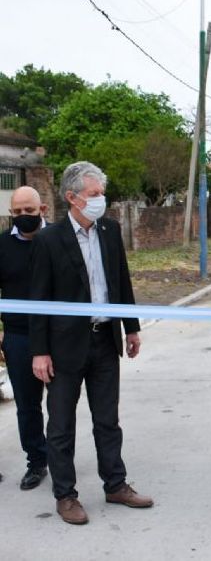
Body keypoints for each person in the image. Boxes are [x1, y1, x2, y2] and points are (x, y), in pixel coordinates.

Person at [29, 162, 151, 525]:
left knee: (108, 421)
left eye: (101, 194)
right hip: (64, 348)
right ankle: (65, 495)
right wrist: (39, 350)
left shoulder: (110, 231)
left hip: (104, 342)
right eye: (94, 195)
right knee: (62, 425)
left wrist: (131, 328)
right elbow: (37, 300)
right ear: (72, 197)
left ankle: (115, 484)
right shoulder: (49, 240)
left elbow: (121, 282)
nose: (102, 201)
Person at [0, 186, 49, 490]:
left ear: (42, 209)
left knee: (60, 403)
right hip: (19, 337)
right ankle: (37, 461)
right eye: (16, 212)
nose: (22, 217)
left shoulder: (58, 239)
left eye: (28, 211)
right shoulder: (2, 244)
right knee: (27, 406)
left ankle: (60, 457)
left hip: (58, 337)